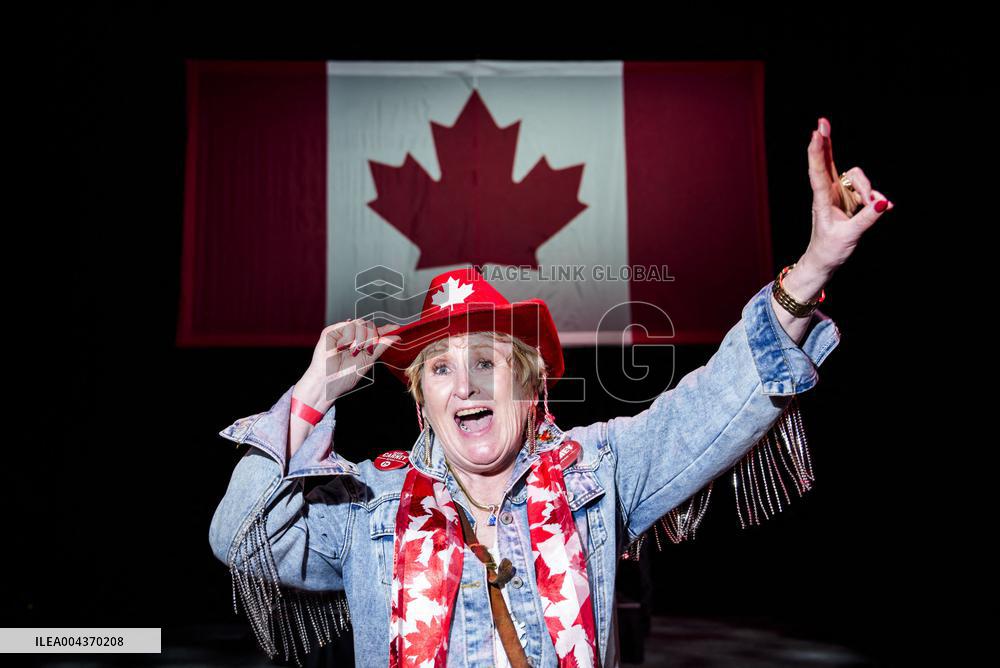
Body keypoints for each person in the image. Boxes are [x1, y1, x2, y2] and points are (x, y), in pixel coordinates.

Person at [208, 117, 892, 667]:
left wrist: (812, 268)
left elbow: (716, 402)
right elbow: (242, 538)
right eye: (441, 369)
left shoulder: (599, 470)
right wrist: (310, 395)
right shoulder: (368, 507)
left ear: (531, 388)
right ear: (422, 404)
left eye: (487, 362)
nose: (466, 384)